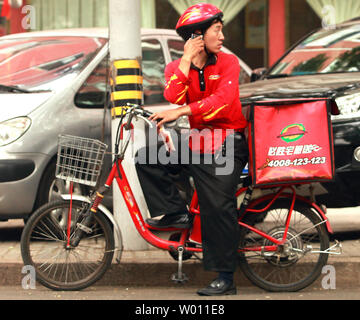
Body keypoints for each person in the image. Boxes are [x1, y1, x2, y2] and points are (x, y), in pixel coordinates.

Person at [135, 3, 248, 296]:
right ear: (197, 35)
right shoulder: (176, 67)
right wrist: (185, 60)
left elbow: (223, 101)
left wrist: (181, 112)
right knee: (146, 158)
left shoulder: (228, 63)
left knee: (217, 206)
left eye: (221, 30)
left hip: (228, 141)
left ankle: (225, 277)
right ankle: (175, 213)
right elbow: (173, 95)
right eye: (217, 30)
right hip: (200, 140)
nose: (222, 37)